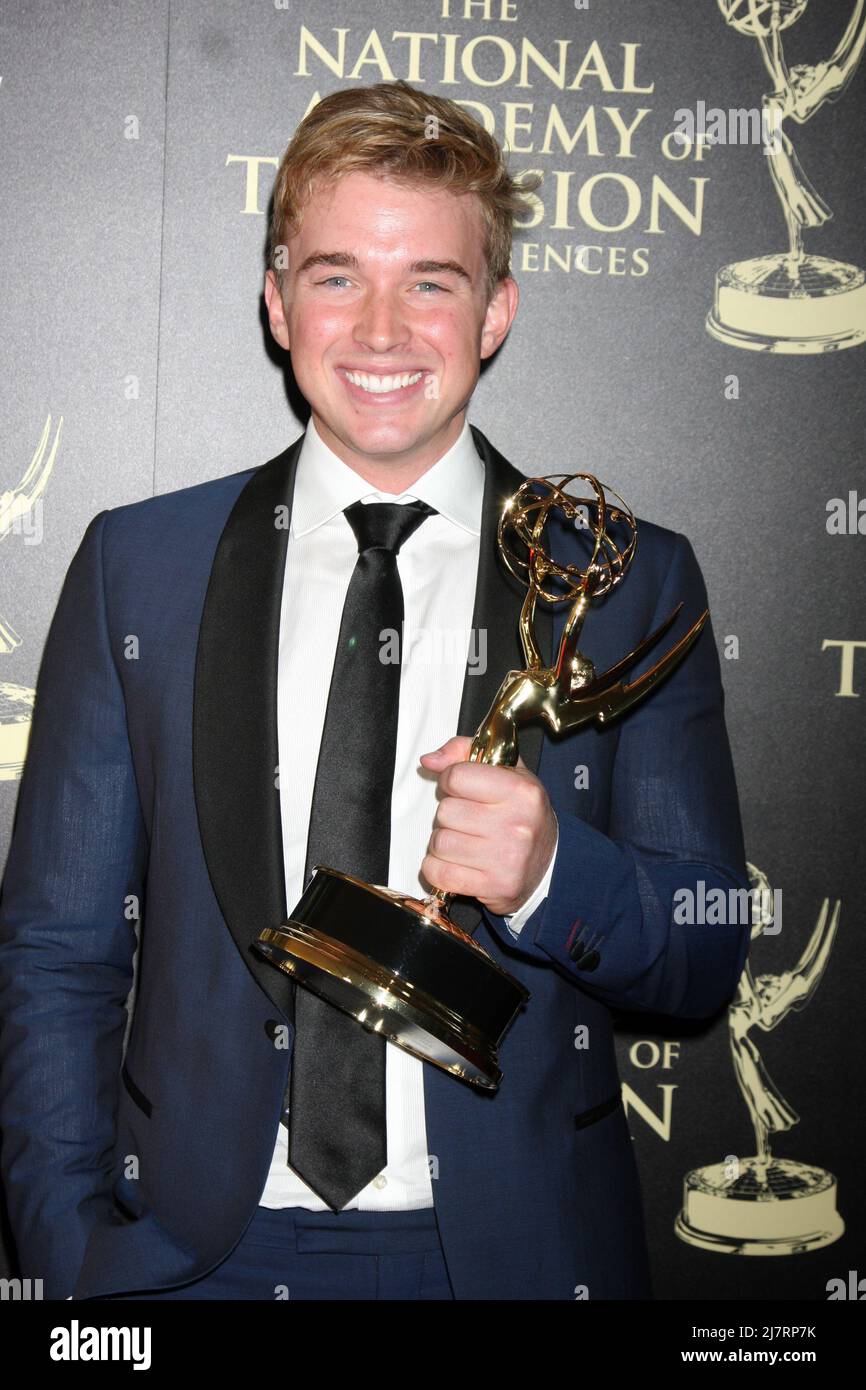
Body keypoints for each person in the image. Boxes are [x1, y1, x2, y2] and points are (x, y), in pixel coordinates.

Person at [0, 80, 750, 1302]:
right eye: (338, 275)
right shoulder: (138, 566)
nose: (382, 330)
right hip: (189, 1261)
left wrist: (556, 872)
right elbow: (56, 951)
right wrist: (67, 1249)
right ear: (277, 296)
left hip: (509, 1263)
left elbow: (705, 947)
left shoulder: (621, 577)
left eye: (432, 282)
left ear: (496, 309)